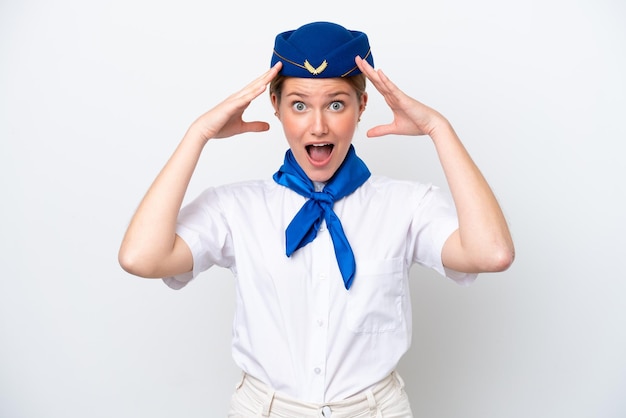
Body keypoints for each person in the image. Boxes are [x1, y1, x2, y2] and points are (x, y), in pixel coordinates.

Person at [118, 21, 514, 418]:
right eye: (299, 105)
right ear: (275, 107)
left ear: (362, 107)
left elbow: (492, 253)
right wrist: (197, 134)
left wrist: (438, 129)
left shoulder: (405, 205)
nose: (318, 125)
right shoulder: (236, 208)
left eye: (337, 104)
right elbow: (141, 258)